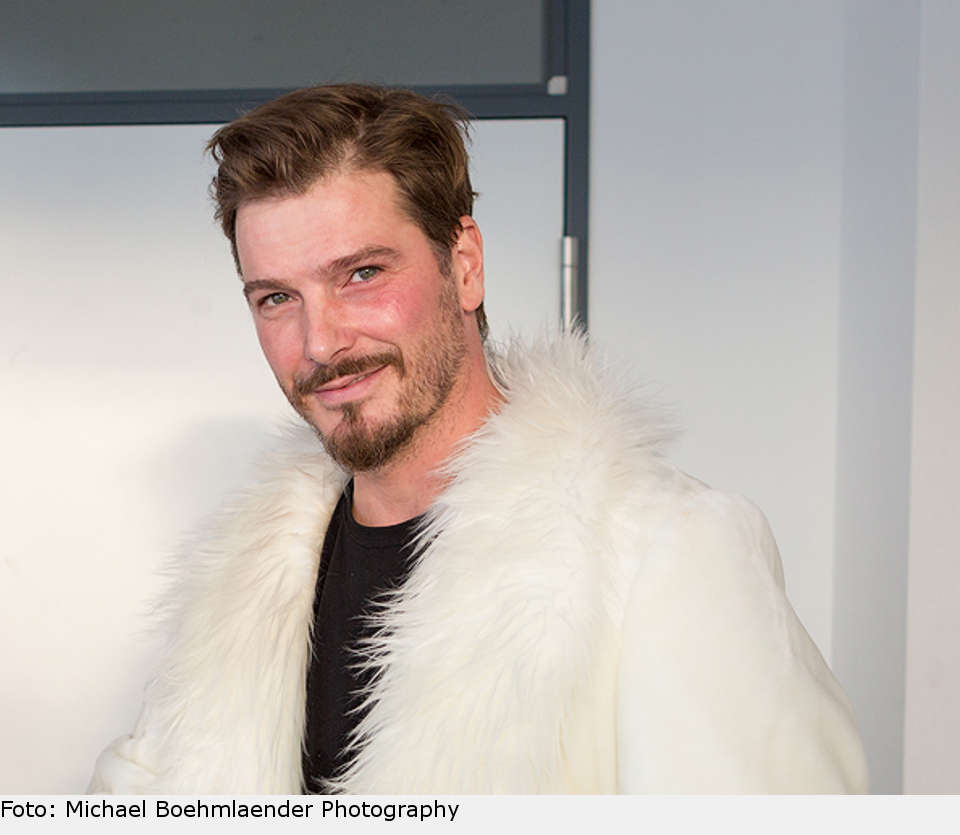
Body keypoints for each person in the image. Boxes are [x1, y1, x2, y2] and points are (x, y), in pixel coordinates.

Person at [90, 84, 868, 794]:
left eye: (361, 274)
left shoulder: (666, 552)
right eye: (276, 298)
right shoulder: (237, 592)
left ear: (464, 265)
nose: (319, 342)